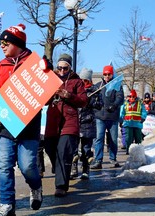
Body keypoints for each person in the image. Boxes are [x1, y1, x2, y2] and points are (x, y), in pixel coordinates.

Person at [0, 24, 43, 216]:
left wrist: (48, 74)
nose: (2, 45)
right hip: (6, 125)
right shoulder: (0, 66)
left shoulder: (35, 66)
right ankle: (6, 204)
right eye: (1, 42)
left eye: (5, 42)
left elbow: (46, 96)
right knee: (5, 165)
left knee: (27, 166)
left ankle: (35, 187)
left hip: (28, 126)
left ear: (17, 42)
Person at [44, 54, 88, 197]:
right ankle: (60, 169)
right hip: (53, 121)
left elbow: (83, 101)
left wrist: (68, 95)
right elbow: (42, 98)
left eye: (65, 68)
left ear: (70, 67)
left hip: (69, 122)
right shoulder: (50, 79)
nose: (62, 71)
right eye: (59, 68)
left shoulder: (77, 81)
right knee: (50, 148)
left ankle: (61, 186)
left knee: (63, 152)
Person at [70, 68, 103, 180]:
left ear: (89, 80)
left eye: (86, 81)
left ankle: (85, 169)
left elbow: (99, 105)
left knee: (86, 149)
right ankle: (74, 169)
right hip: (75, 122)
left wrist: (92, 100)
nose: (83, 83)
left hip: (88, 123)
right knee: (73, 149)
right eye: (82, 80)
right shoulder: (76, 89)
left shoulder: (95, 91)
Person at [91, 65, 124, 169]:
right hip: (100, 116)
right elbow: (92, 96)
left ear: (112, 74)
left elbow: (120, 97)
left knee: (113, 139)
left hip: (112, 117)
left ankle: (113, 158)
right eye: (105, 74)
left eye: (108, 74)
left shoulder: (117, 85)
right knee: (99, 138)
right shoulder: (98, 86)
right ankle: (98, 160)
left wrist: (114, 105)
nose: (106, 76)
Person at [120, 89, 147, 154]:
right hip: (128, 123)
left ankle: (138, 151)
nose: (132, 98)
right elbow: (122, 112)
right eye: (130, 97)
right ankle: (128, 150)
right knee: (128, 138)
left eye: (133, 97)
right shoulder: (125, 103)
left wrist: (143, 118)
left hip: (137, 124)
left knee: (138, 138)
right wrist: (121, 120)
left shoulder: (140, 103)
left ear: (135, 97)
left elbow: (144, 111)